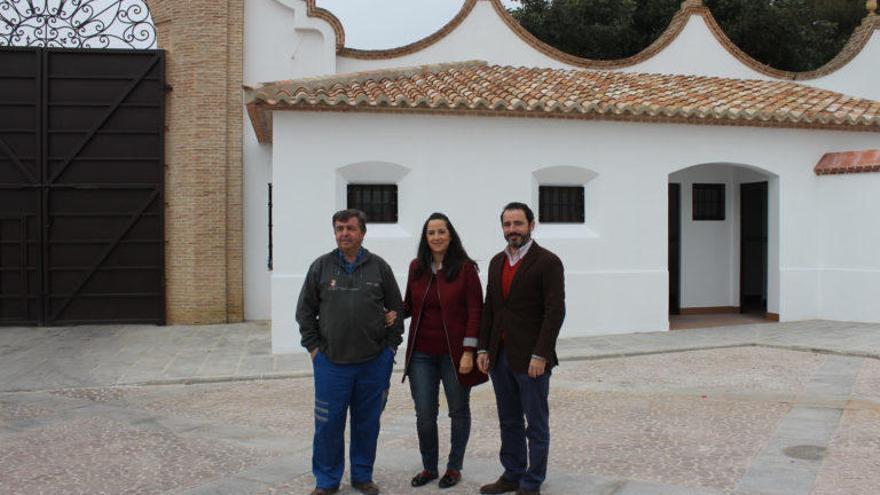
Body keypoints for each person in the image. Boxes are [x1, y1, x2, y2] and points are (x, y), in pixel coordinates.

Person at [296, 209, 404, 495]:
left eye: (350, 228)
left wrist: (390, 349)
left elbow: (397, 309)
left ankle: (362, 476)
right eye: (339, 228)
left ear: (362, 233)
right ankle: (327, 480)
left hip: (373, 363)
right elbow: (304, 312)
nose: (344, 233)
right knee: (328, 425)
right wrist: (314, 349)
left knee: (366, 423)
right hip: (331, 363)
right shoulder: (321, 267)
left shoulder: (379, 267)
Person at [476, 202, 565, 495]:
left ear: (531, 225)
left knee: (536, 424)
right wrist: (484, 349)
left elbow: (555, 312)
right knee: (509, 419)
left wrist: (541, 354)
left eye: (518, 223)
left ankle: (532, 481)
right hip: (500, 357)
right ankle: (512, 473)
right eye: (507, 224)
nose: (512, 230)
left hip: (532, 360)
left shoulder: (548, 262)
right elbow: (491, 308)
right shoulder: (496, 262)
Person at [401, 212, 488, 490]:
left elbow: (476, 312)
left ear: (450, 236)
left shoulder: (465, 269)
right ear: (425, 238)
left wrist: (468, 351)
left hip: (455, 355)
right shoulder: (417, 267)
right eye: (431, 232)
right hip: (421, 355)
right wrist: (384, 312)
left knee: (458, 411)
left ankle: (454, 466)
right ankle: (429, 467)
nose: (436, 237)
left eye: (441, 231)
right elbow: (408, 306)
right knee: (425, 413)